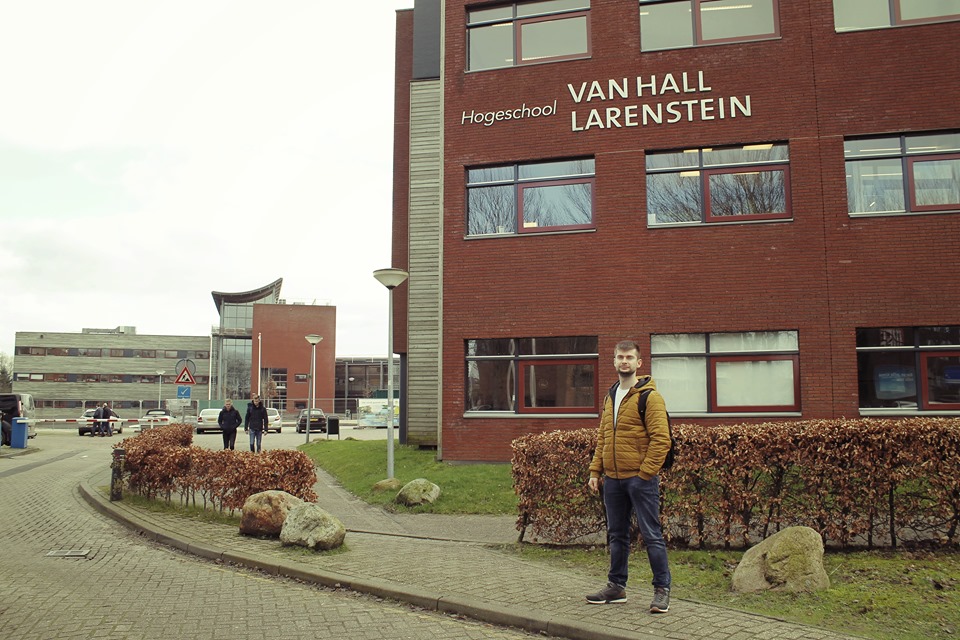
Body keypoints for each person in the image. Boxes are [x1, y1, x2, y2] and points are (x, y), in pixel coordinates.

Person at [586, 340, 672, 614]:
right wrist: (595, 471)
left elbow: (662, 440)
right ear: (614, 361)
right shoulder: (611, 396)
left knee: (651, 535)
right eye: (620, 357)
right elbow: (603, 437)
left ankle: (662, 590)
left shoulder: (650, 397)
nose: (624, 361)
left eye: (629, 357)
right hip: (613, 479)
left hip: (639, 479)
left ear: (639, 363)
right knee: (617, 535)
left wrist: (645, 473)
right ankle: (616, 587)